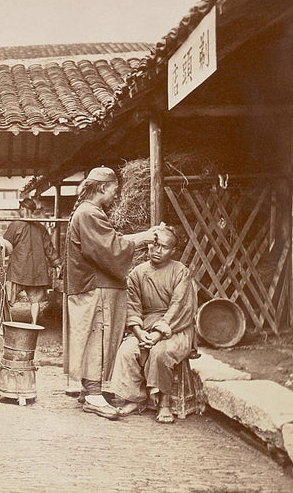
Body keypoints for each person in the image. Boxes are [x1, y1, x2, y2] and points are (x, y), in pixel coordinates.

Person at [63, 166, 157, 420]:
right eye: (115, 190)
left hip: (93, 287)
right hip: (96, 288)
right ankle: (94, 394)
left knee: (93, 336)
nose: (116, 195)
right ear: (103, 187)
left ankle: (91, 390)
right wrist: (144, 238)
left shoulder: (87, 212)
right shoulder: (89, 214)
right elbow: (111, 248)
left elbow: (109, 244)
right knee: (99, 337)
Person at [110, 226, 197, 423]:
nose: (156, 251)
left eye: (163, 247)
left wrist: (159, 333)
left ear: (173, 251)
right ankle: (134, 399)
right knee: (127, 349)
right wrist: (139, 332)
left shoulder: (181, 272)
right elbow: (132, 306)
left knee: (160, 352)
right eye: (154, 245)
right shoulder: (138, 273)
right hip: (146, 328)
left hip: (177, 329)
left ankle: (164, 403)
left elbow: (180, 307)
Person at [3, 197, 61, 324]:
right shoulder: (41, 228)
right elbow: (49, 249)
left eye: (20, 209)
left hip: (18, 271)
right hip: (36, 273)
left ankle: (4, 325)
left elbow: (5, 246)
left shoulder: (15, 226)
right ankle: (33, 324)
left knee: (6, 298)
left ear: (23, 209)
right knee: (35, 301)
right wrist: (56, 263)